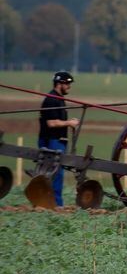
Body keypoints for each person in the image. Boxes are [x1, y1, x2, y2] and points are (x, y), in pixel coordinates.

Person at [38, 71, 80, 207]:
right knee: (56, 174)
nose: (69, 86)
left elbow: (58, 120)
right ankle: (56, 204)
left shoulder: (59, 99)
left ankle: (52, 203)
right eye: (67, 83)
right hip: (52, 140)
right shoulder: (52, 99)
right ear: (59, 83)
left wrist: (69, 122)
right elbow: (51, 123)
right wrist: (69, 123)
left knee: (56, 173)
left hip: (59, 140)